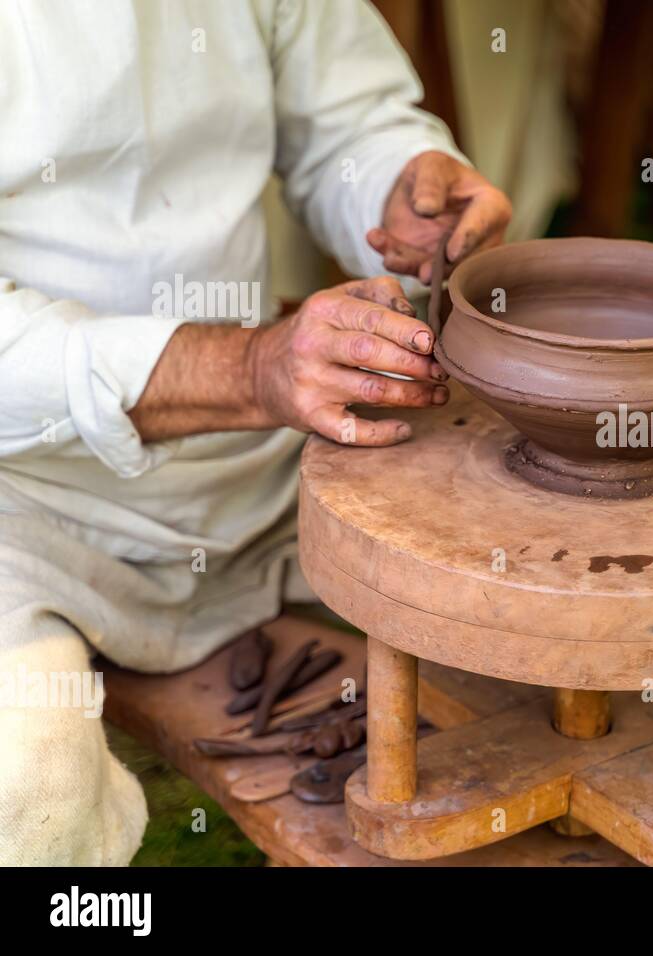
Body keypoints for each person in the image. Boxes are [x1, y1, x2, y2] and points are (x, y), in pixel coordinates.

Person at [0, 0, 510, 864]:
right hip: (25, 501)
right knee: (27, 792)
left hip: (254, 460)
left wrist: (398, 182)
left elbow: (345, 114)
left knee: (553, 632)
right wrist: (248, 370)